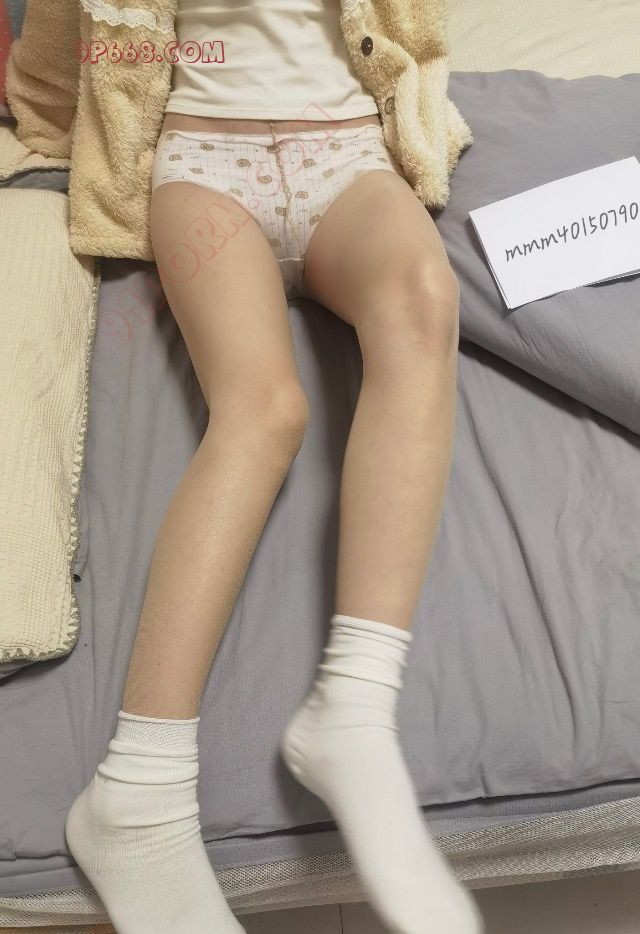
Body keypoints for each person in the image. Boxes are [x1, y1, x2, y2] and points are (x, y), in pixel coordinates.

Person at [65, 1, 483, 932]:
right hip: (203, 166)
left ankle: (355, 710)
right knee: (263, 411)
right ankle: (139, 788)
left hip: (350, 157)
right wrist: (54, 130)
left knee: (425, 300)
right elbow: (67, 46)